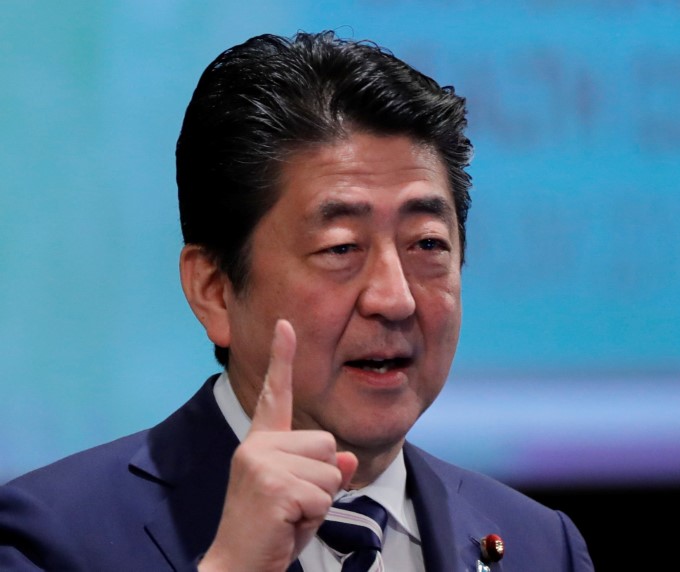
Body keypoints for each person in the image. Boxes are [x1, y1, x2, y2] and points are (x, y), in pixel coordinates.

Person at [0, 31, 594, 571]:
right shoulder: (50, 539)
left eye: (427, 243)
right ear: (214, 290)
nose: (395, 298)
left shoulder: (540, 546)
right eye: (340, 248)